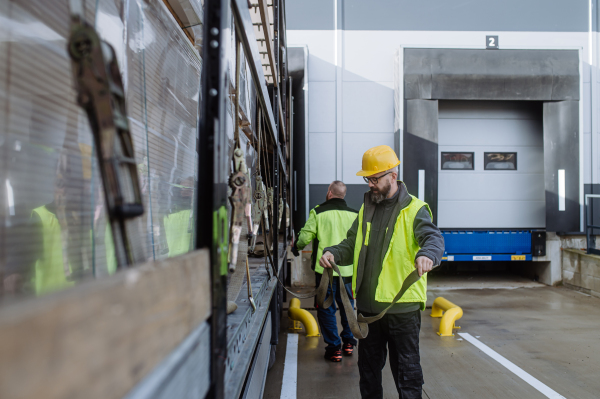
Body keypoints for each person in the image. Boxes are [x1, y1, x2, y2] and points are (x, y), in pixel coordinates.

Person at [319, 145, 444, 399]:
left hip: (402, 310)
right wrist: (333, 252)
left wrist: (427, 254)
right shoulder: (367, 209)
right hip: (368, 310)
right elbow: (351, 242)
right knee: (369, 374)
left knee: (407, 375)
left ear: (392, 176)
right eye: (368, 179)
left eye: (375, 179)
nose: (370, 184)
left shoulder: (415, 209)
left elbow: (433, 238)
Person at [292, 180, 359, 362]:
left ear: (329, 193)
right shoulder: (354, 214)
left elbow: (304, 236)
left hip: (325, 271)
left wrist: (296, 247)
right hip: (347, 271)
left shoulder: (318, 212)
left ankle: (334, 348)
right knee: (347, 306)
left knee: (326, 307)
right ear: (343, 195)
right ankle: (348, 343)